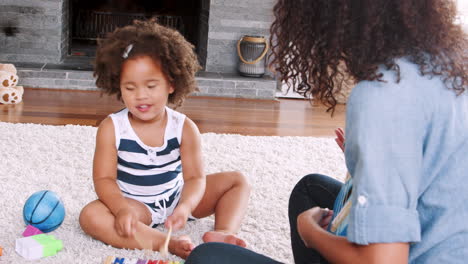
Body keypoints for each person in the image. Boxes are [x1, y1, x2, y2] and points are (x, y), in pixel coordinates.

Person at [185, 0, 468, 263]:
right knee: (310, 189)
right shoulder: (452, 62)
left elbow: (383, 260)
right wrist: (366, 162)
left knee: (208, 257)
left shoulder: (382, 94)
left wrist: (311, 234)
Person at [79, 19, 250, 259]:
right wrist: (121, 210)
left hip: (177, 196)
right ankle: (166, 243)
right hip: (136, 205)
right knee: (91, 216)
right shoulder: (112, 128)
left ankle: (222, 233)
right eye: (130, 88)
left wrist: (186, 206)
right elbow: (104, 178)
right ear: (117, 86)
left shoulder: (184, 127)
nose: (141, 96)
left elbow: (195, 177)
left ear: (171, 83)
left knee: (237, 181)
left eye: (151, 85)